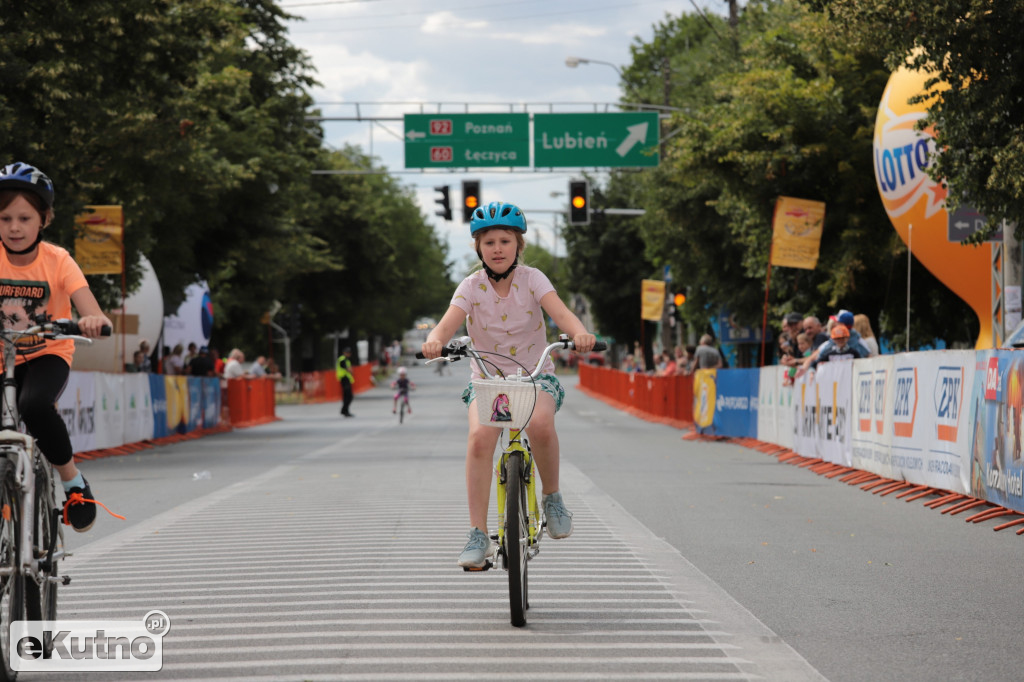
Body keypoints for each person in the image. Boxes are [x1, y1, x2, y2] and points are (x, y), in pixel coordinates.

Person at [421, 201, 596, 568]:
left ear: (518, 245)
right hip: (488, 380)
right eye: (488, 243)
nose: (497, 248)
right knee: (479, 439)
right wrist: (434, 339)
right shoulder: (471, 286)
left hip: (535, 377)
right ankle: (477, 534)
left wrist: (579, 333)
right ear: (478, 249)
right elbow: (447, 323)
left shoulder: (533, 279)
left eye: (505, 240)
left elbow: (560, 313)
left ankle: (552, 497)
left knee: (540, 423)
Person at [0, 161, 113, 532]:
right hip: (2, 358)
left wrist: (93, 319)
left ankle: (73, 483)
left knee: (33, 405)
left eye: (24, 218)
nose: (14, 227)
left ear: (43, 220)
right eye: (5, 219)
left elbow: (89, 307)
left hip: (47, 354)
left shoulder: (58, 260)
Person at [336, 346, 354, 417]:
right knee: (349, 396)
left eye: (349, 352)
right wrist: (350, 370)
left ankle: (345, 410)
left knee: (347, 396)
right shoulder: (342, 359)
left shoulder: (347, 360)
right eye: (347, 352)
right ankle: (344, 410)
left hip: (347, 379)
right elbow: (347, 368)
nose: (349, 354)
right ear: (344, 353)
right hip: (344, 379)